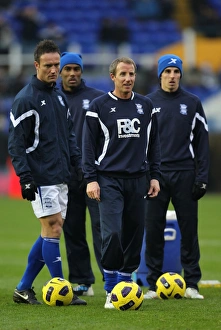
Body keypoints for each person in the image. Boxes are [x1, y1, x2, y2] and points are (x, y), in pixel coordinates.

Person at [8, 39, 87, 306]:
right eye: (49, 65)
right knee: (53, 228)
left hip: (61, 175)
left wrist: (77, 164)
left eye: (57, 65)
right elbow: (16, 144)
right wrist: (26, 178)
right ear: (36, 65)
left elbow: (70, 135)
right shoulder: (25, 99)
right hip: (40, 177)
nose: (54, 70)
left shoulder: (58, 96)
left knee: (50, 231)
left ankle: (22, 288)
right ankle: (63, 291)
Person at [81, 56, 161, 308]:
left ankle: (126, 283)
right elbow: (87, 148)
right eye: (123, 74)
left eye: (132, 74)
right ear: (112, 77)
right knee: (112, 232)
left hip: (138, 179)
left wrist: (155, 176)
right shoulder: (98, 106)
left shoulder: (146, 106)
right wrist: (91, 179)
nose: (128, 78)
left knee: (135, 234)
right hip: (108, 179)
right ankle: (110, 289)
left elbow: (154, 145)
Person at [144, 54, 209, 300]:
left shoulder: (193, 103)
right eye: (167, 71)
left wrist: (201, 177)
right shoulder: (147, 103)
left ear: (180, 75)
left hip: (185, 174)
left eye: (176, 72)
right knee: (153, 230)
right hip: (156, 177)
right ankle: (152, 284)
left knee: (189, 230)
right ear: (160, 74)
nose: (172, 76)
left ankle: (192, 282)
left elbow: (202, 144)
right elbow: (142, 144)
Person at [59, 52, 105, 296]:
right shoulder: (52, 99)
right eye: (68, 69)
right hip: (66, 177)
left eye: (77, 69)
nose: (73, 73)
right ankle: (82, 281)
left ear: (82, 71)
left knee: (102, 229)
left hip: (94, 176)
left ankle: (111, 277)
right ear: (60, 72)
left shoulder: (98, 98)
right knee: (73, 230)